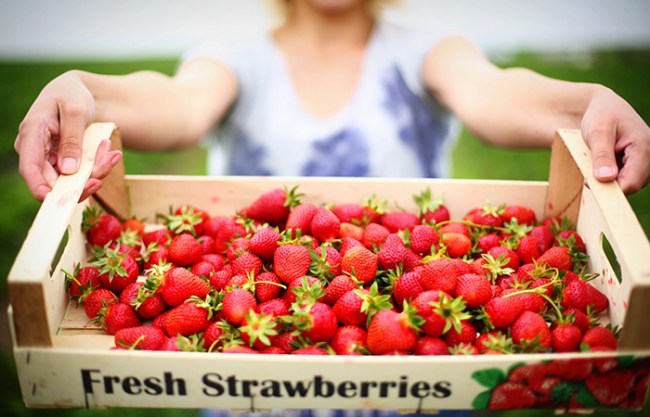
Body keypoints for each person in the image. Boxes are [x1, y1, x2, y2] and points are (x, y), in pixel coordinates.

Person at [11, 0, 650, 416]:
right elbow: (176, 104)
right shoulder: (236, 58)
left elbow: (495, 93)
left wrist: (583, 103)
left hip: (421, 378)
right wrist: (88, 90)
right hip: (252, 378)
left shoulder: (423, 52)